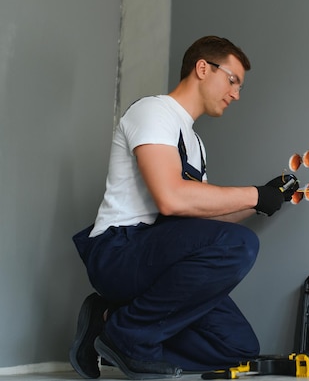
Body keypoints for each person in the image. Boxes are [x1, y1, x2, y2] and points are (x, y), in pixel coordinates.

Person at [69, 35, 297, 379]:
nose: (235, 93)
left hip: (161, 258)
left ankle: (109, 326)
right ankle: (129, 337)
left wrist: (263, 199)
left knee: (238, 349)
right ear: (202, 68)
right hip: (119, 251)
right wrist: (253, 194)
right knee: (241, 244)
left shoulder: (196, 144)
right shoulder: (153, 111)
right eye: (232, 80)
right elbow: (171, 198)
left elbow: (201, 214)